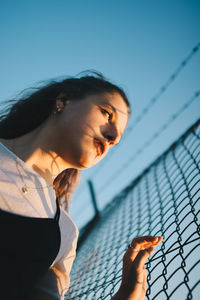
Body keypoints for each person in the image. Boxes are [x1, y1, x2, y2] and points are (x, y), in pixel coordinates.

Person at [0, 72, 162, 300]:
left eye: (117, 139)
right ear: (63, 101)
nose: (113, 136)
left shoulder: (63, 231)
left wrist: (126, 294)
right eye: (107, 113)